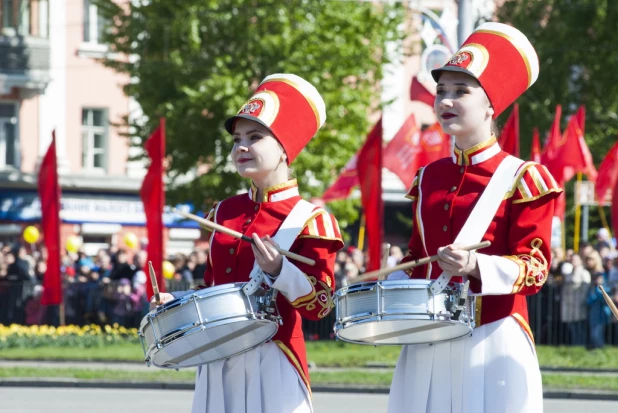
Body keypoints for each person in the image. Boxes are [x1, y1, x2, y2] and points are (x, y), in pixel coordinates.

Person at [387, 23, 562, 413]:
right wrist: (394, 276)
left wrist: (475, 265)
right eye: (442, 92)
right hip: (428, 338)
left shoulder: (523, 177)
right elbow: (418, 257)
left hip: (494, 339)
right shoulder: (428, 177)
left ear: (490, 105)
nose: (446, 101)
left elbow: (535, 269)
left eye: (460, 92)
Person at [151, 74, 343, 413]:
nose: (241, 146)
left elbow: (322, 305)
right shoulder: (223, 211)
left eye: (255, 137)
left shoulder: (311, 219)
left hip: (274, 362)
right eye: (237, 138)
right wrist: (176, 301)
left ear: (285, 149)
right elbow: (213, 289)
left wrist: (279, 270)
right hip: (218, 359)